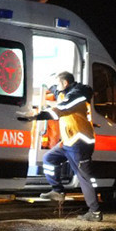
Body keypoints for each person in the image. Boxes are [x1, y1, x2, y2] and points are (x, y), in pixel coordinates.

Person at [19, 71, 101, 221]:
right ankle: (58, 191)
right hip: (69, 141)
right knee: (49, 159)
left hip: (80, 143)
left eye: (58, 84)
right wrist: (46, 79)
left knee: (84, 178)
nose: (56, 87)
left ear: (65, 84)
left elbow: (61, 109)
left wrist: (35, 117)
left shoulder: (77, 97)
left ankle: (95, 212)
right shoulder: (64, 92)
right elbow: (55, 89)